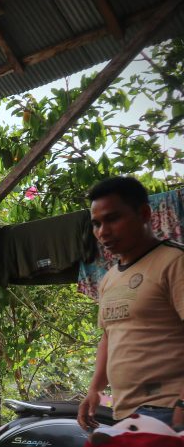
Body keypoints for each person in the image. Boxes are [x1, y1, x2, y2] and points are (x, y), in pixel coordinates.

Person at [77, 176, 184, 431]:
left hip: (170, 410)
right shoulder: (109, 278)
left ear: (144, 214)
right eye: (96, 224)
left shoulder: (174, 262)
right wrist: (94, 389)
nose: (103, 232)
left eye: (113, 219)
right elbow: (108, 337)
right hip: (128, 413)